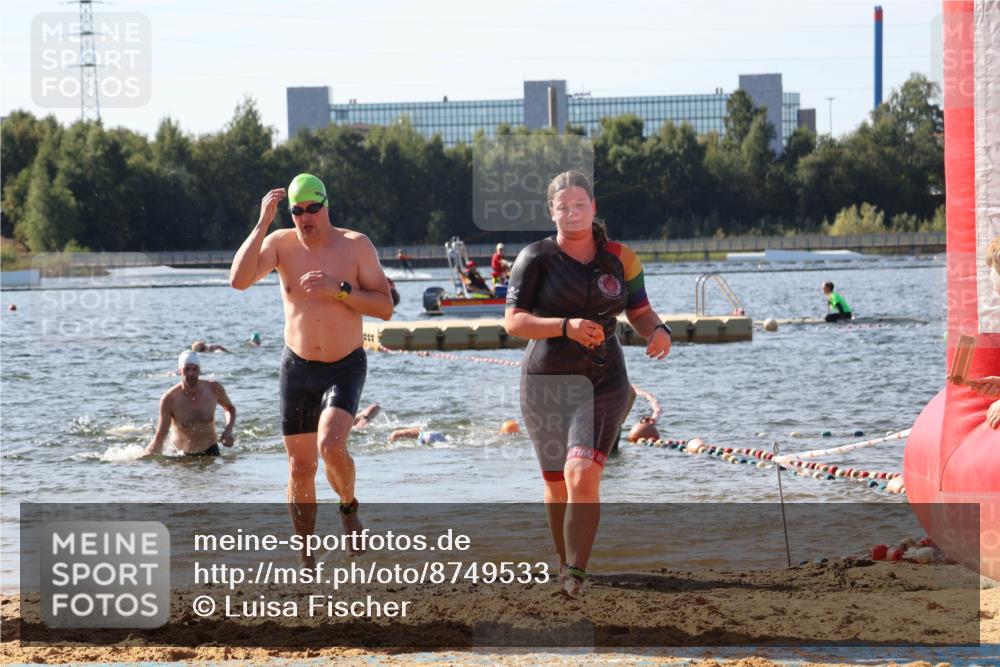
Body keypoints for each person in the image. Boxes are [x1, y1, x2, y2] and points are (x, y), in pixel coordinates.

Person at [504, 170, 671, 597]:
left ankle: (576, 572)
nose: (572, 213)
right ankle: (564, 564)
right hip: (545, 382)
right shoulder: (534, 258)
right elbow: (514, 322)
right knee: (557, 483)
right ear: (551, 212)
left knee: (582, 473)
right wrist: (565, 326)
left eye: (580, 205)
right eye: (563, 207)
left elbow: (639, 310)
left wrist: (658, 330)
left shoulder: (621, 258)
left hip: (603, 377)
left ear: (594, 208)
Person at [229, 173, 394, 562]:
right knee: (300, 467)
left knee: (331, 446)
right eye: (297, 211)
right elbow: (237, 281)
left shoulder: (355, 246)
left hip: (344, 365)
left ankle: (349, 507)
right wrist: (262, 223)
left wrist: (340, 289)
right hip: (298, 367)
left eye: (312, 209)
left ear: (326, 206)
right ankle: (306, 557)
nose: (305, 218)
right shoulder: (280, 244)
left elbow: (384, 307)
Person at [143, 350, 236, 457]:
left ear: (199, 370)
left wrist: (228, 430)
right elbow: (159, 438)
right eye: (186, 369)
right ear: (179, 371)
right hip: (181, 456)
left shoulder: (214, 389)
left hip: (211, 451)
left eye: (194, 369)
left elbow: (230, 409)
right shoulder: (169, 399)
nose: (191, 373)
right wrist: (141, 459)